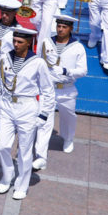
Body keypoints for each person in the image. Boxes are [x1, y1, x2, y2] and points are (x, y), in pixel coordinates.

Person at [0, 28, 56, 199]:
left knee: (25, 150)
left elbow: (48, 91)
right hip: (6, 105)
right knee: (1, 145)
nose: (15, 44)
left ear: (29, 42)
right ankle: (8, 175)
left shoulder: (38, 63)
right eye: (14, 40)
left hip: (27, 106)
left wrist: (44, 114)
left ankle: (22, 184)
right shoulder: (5, 57)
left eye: (20, 42)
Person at [36, 14, 87, 162]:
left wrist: (67, 71)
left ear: (70, 29)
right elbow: (40, 62)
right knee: (44, 119)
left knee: (68, 116)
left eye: (64, 27)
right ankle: (41, 152)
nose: (60, 29)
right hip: (48, 88)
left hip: (67, 88)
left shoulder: (77, 47)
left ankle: (68, 138)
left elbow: (83, 71)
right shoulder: (47, 42)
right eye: (59, 26)